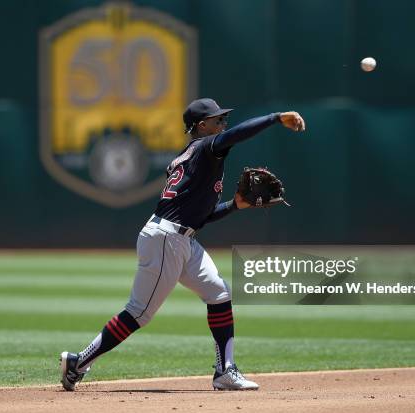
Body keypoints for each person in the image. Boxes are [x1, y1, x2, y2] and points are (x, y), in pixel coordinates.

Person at [61, 98, 305, 391]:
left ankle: (225, 371)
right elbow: (236, 135)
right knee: (139, 312)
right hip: (167, 239)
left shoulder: (188, 157)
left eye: (223, 119)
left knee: (219, 293)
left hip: (181, 238)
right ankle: (79, 361)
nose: (223, 124)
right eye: (218, 120)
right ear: (202, 126)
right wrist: (276, 117)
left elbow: (200, 217)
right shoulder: (205, 147)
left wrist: (236, 205)